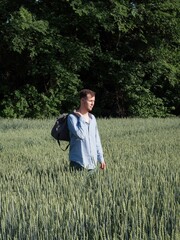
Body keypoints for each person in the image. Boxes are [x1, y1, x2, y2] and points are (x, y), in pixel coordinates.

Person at [67, 89, 106, 171]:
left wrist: (101, 159)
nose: (93, 103)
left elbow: (96, 140)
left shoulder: (92, 118)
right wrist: (81, 118)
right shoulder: (72, 118)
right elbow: (81, 135)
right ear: (82, 100)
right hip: (78, 163)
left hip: (92, 164)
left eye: (94, 101)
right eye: (90, 101)